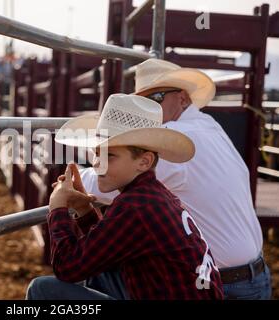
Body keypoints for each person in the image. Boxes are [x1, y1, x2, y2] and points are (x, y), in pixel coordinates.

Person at [79, 59, 272, 300]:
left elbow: (101, 184)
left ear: (182, 98)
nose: (148, 108)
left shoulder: (175, 144)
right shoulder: (209, 125)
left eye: (155, 98)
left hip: (219, 285)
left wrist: (74, 176)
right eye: (142, 102)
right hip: (253, 276)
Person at [26, 94, 223, 300]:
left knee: (42, 290)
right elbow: (105, 247)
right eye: (96, 153)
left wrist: (57, 209)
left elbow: (67, 267)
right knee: (102, 270)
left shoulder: (135, 205)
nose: (96, 164)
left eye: (109, 155)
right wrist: (84, 211)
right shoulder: (153, 195)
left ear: (144, 162)